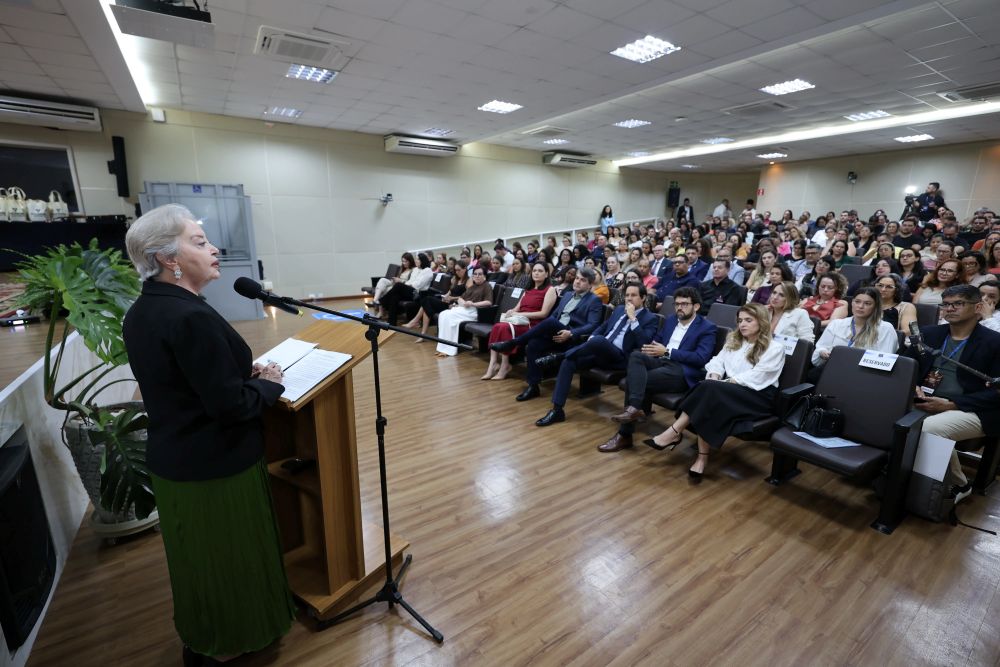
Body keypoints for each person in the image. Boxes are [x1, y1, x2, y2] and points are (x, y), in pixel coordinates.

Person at [121, 204, 295, 664]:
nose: (214, 248)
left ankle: (205, 637)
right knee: (230, 560)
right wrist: (267, 384)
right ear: (168, 259)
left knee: (198, 563)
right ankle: (237, 640)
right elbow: (230, 408)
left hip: (176, 462)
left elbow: (182, 383)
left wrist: (242, 375)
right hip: (216, 466)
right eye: (198, 241)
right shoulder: (190, 316)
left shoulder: (145, 309)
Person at [644, 303, 786, 482]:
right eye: (740, 320)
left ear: (762, 322)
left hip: (757, 397)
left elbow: (757, 377)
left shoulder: (775, 348)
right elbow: (717, 361)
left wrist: (720, 383)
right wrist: (714, 374)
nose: (742, 324)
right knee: (709, 395)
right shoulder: (735, 341)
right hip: (730, 391)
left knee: (709, 390)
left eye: (748, 320)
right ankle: (700, 458)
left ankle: (675, 432)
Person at [907, 285, 1000, 503]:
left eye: (957, 303)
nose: (949, 309)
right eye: (946, 304)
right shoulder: (929, 333)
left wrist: (951, 404)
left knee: (929, 429)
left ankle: (958, 483)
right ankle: (903, 473)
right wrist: (912, 386)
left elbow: (997, 394)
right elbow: (904, 364)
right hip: (926, 399)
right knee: (886, 409)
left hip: (974, 408)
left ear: (978, 307)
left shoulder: (995, 342)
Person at [597, 287, 718, 452]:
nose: (679, 308)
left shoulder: (707, 327)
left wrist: (667, 352)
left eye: (684, 304)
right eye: (677, 304)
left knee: (635, 380)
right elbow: (657, 341)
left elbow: (700, 358)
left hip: (681, 371)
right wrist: (650, 349)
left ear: (696, 306)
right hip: (661, 362)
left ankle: (625, 434)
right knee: (636, 356)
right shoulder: (670, 320)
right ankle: (634, 410)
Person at [534, 283, 659, 426]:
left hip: (620, 358)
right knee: (569, 361)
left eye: (634, 295)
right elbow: (602, 327)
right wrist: (592, 337)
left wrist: (633, 319)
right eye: (627, 295)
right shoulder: (619, 310)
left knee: (599, 342)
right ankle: (557, 410)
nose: (629, 299)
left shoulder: (650, 318)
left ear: (643, 298)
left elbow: (644, 343)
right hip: (599, 350)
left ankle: (558, 356)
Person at [491, 268, 604, 401]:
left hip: (571, 337)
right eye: (577, 278)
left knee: (549, 322)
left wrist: (571, 333)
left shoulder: (594, 300)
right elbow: (555, 314)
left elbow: (593, 325)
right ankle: (533, 386)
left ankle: (514, 342)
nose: (578, 282)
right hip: (555, 333)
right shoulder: (568, 295)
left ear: (590, 285)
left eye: (583, 280)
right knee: (533, 344)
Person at [483, 262, 556, 380]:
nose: (536, 273)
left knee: (504, 327)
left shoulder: (550, 290)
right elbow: (517, 308)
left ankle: (505, 365)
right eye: (534, 270)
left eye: (540, 271)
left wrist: (519, 314)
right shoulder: (529, 289)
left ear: (547, 274)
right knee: (497, 326)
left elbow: (543, 314)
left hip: (533, 324)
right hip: (520, 320)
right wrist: (510, 312)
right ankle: (493, 363)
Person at [811, 287, 898, 368]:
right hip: (833, 369)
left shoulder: (886, 329)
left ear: (875, 306)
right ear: (852, 303)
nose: (860, 306)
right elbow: (818, 353)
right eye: (857, 302)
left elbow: (884, 363)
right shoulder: (836, 324)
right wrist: (822, 353)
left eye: (867, 303)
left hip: (864, 376)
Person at [432, 266, 494, 357]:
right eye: (475, 274)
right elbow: (461, 298)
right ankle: (442, 347)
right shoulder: (473, 287)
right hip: (465, 309)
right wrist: (464, 303)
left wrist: (473, 304)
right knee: (443, 314)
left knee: (449, 317)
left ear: (484, 276)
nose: (477, 276)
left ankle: (450, 349)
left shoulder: (486, 286)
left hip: (475, 312)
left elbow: (489, 302)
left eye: (480, 274)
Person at [404, 260, 469, 336]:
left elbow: (467, 297)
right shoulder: (455, 279)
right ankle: (421, 331)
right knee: (426, 301)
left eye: (459, 270)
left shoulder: (468, 280)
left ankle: (418, 325)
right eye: (455, 270)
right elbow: (450, 292)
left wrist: (452, 298)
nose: (457, 272)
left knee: (427, 302)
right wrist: (445, 297)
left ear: (465, 269)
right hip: (447, 302)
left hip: (455, 305)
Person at [378, 252, 433, 324]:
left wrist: (404, 283)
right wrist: (406, 284)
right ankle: (391, 322)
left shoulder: (427, 271)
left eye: (418, 259)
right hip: (410, 290)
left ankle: (382, 302)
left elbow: (417, 285)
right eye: (416, 259)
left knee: (398, 285)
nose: (416, 261)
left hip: (418, 293)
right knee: (395, 296)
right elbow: (410, 281)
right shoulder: (416, 269)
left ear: (423, 261)